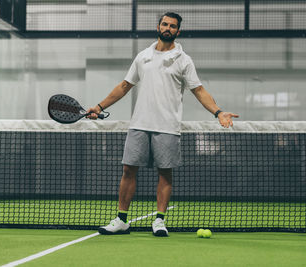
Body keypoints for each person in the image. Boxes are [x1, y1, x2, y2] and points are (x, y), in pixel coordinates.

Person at [87, 12, 239, 237]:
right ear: (158, 26)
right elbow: (124, 86)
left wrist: (218, 111)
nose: (168, 28)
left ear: (178, 31)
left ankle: (159, 220)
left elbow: (198, 90)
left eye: (173, 26)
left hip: (168, 125)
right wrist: (99, 107)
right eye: (165, 24)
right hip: (139, 123)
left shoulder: (184, 60)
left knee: (165, 174)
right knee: (128, 170)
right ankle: (121, 220)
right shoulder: (143, 57)